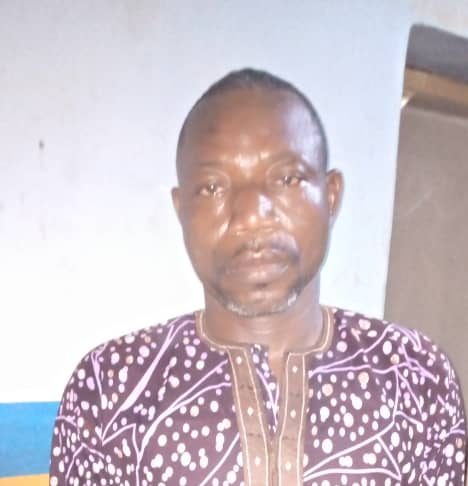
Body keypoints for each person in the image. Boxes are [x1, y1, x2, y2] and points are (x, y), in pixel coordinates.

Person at [49, 68, 467, 485]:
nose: (250, 214)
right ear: (182, 210)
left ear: (331, 196)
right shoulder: (110, 387)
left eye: (287, 178)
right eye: (212, 187)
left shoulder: (416, 375)